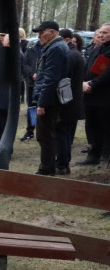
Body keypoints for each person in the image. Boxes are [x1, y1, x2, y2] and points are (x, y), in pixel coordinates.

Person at [32, 20, 69, 176]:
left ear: (52, 32)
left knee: (44, 134)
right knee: (45, 134)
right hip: (49, 97)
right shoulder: (54, 47)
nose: (39, 36)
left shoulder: (56, 48)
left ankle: (46, 168)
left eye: (42, 32)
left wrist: (42, 103)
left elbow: (51, 79)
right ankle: (47, 165)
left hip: (50, 100)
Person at [56, 28, 86, 174]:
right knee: (66, 133)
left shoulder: (70, 55)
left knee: (62, 133)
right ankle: (63, 162)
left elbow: (62, 78)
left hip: (67, 101)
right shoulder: (75, 54)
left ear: (66, 40)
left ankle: (62, 164)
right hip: (72, 100)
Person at [81, 23, 110, 165]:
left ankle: (106, 155)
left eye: (105, 33)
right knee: (92, 126)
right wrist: (84, 82)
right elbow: (87, 68)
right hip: (90, 95)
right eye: (100, 33)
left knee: (106, 126)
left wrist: (93, 84)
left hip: (104, 97)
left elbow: (107, 73)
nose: (101, 35)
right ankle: (94, 155)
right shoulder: (96, 49)